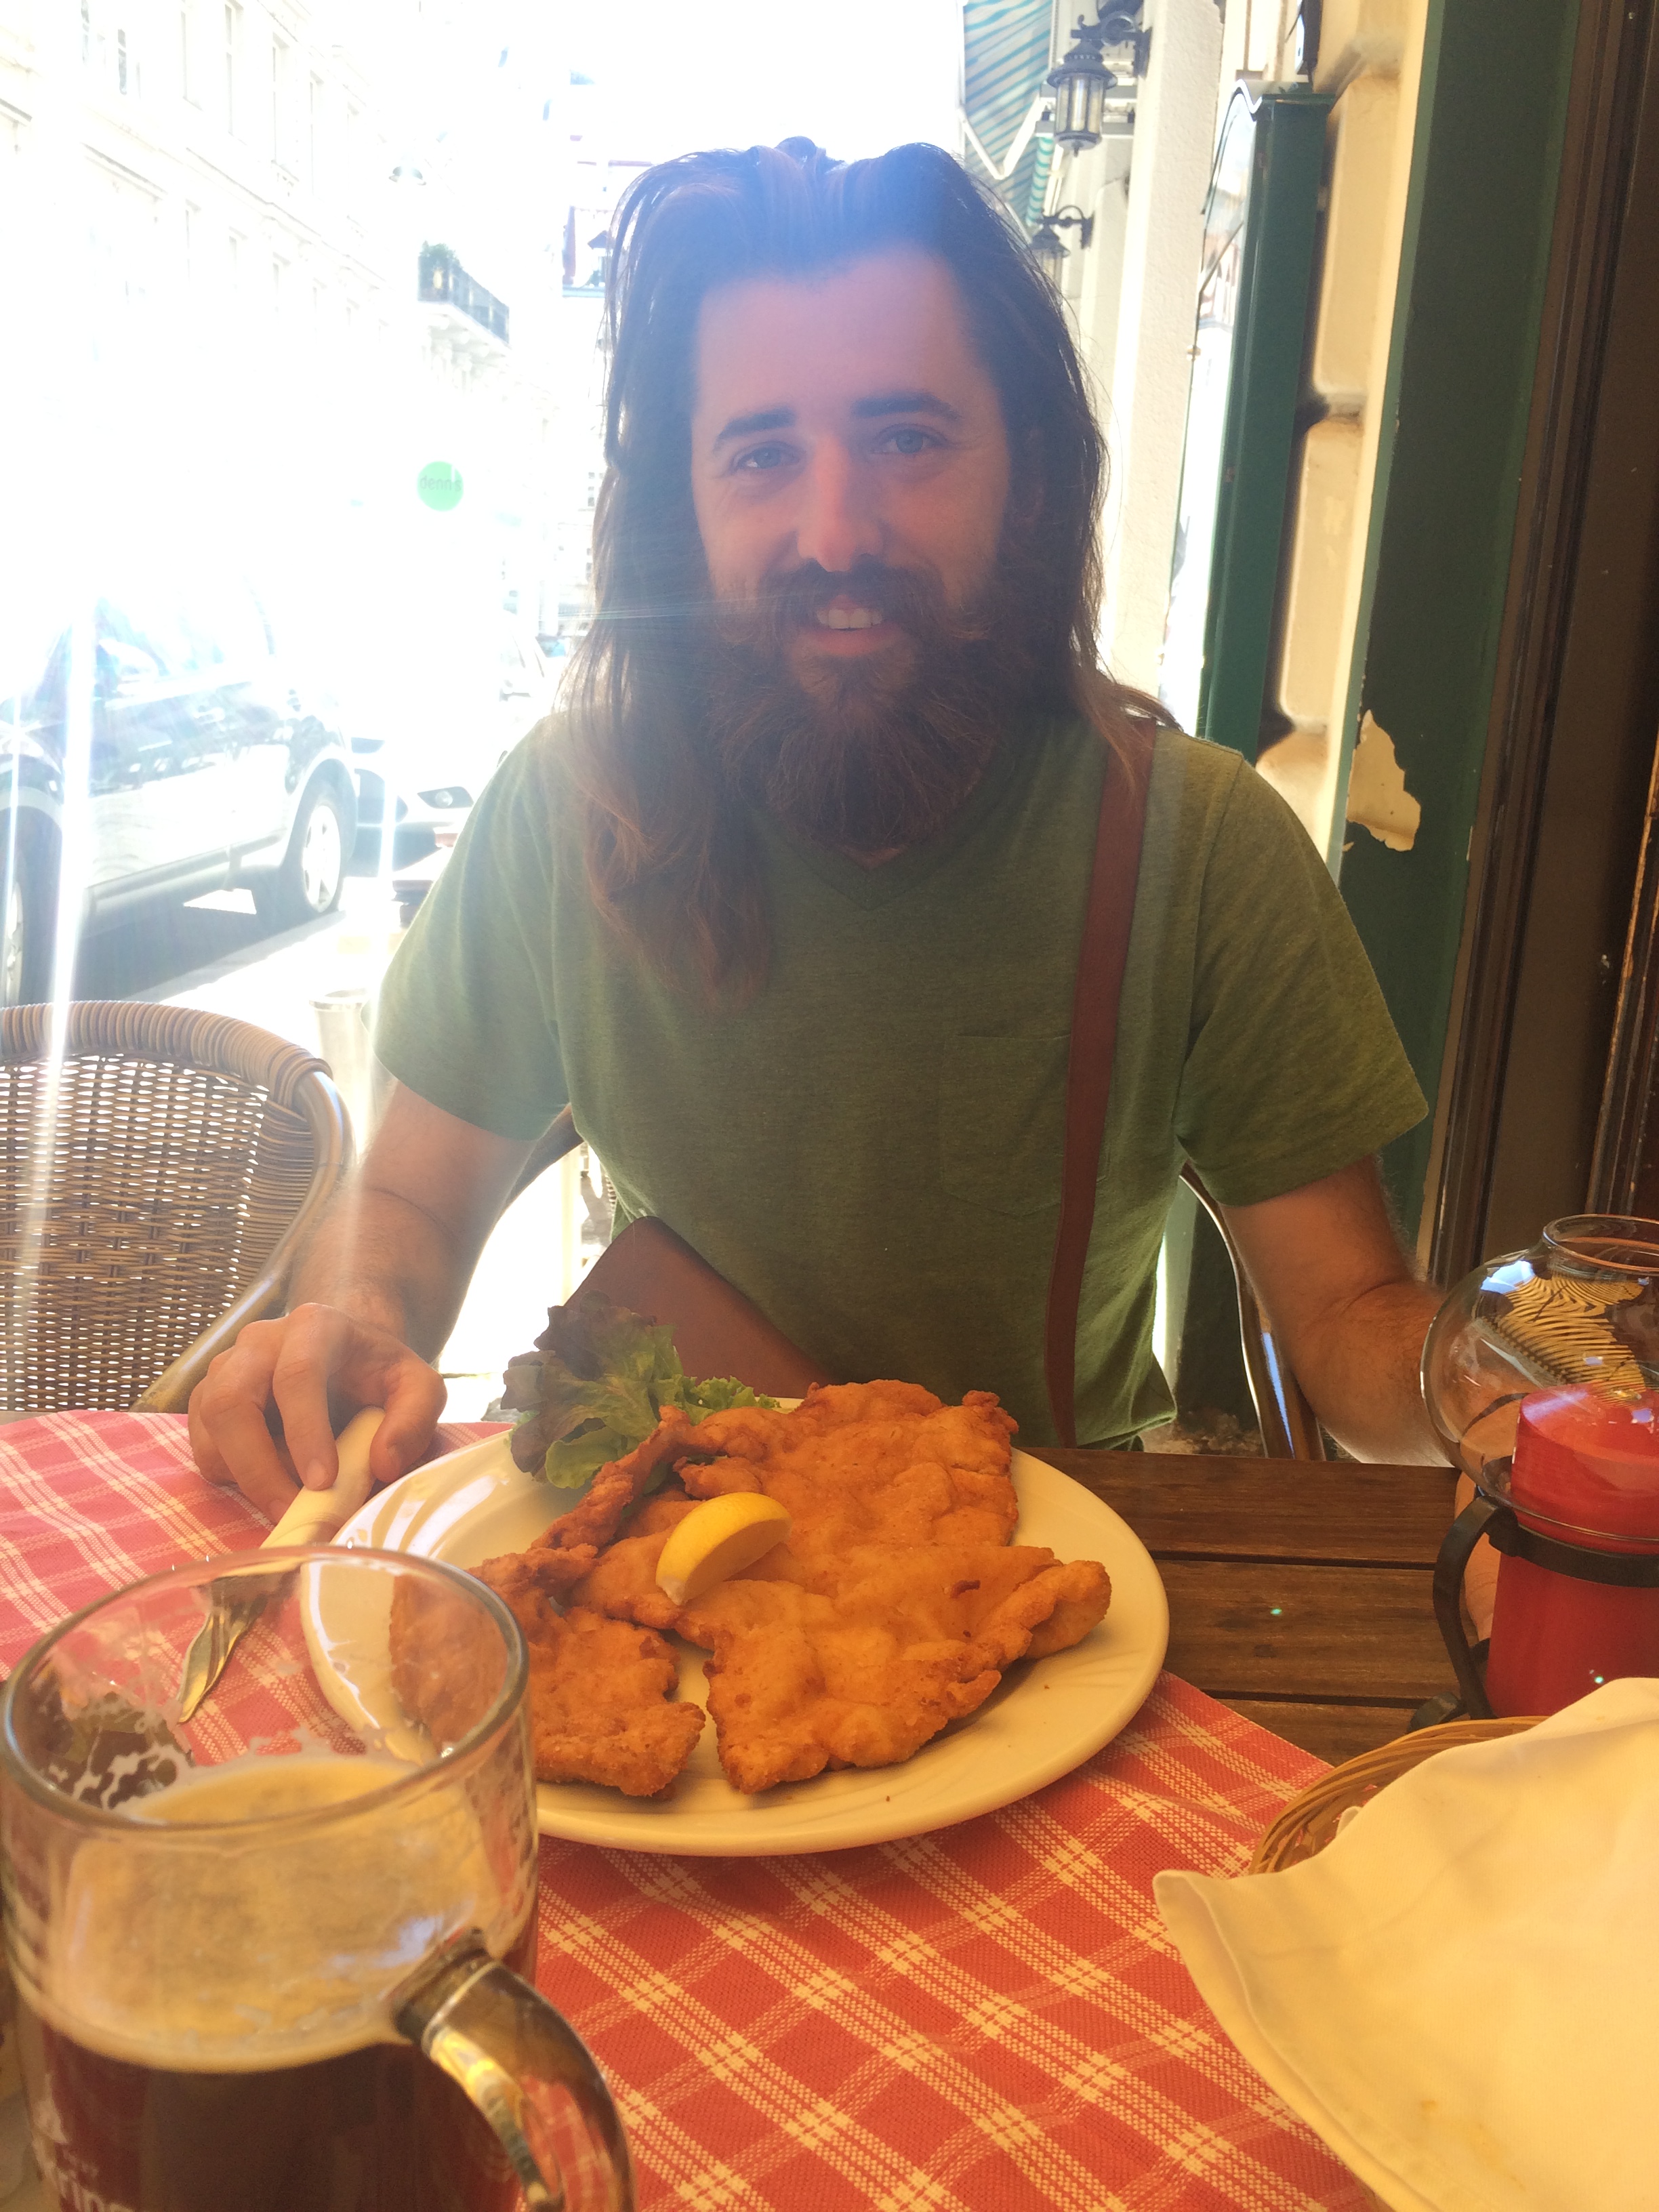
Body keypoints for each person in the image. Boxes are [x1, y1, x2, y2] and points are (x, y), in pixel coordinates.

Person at [190, 137, 1446, 1524]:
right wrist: (357, 1319)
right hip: (672, 1538)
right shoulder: (567, 809)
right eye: (762, 455)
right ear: (684, 510)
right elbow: (412, 1206)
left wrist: (1493, 1377)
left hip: (1048, 1557)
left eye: (908, 440)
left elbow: (1349, 1322)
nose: (836, 531)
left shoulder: (1196, 850)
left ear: (1028, 480)